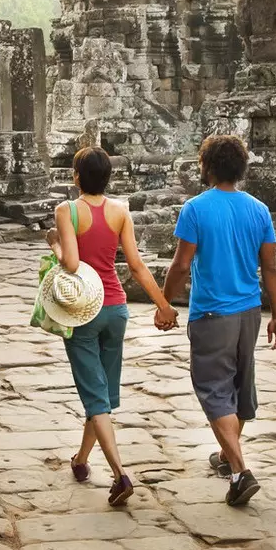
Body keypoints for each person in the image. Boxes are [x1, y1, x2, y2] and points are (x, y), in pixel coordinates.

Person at [162, 134, 276, 507]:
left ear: (209, 167)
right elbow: (271, 267)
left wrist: (164, 302)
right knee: (236, 388)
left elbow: (182, 264)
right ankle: (226, 456)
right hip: (249, 312)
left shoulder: (196, 209)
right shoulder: (258, 210)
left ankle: (239, 471)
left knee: (215, 390)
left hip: (212, 313)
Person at [52, 146, 179, 507]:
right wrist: (163, 305)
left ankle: (120, 473)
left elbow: (72, 264)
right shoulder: (120, 212)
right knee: (103, 395)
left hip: (83, 312)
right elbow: (137, 265)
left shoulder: (67, 211)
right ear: (109, 178)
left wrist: (57, 246)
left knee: (96, 398)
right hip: (116, 308)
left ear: (76, 177)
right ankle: (80, 460)